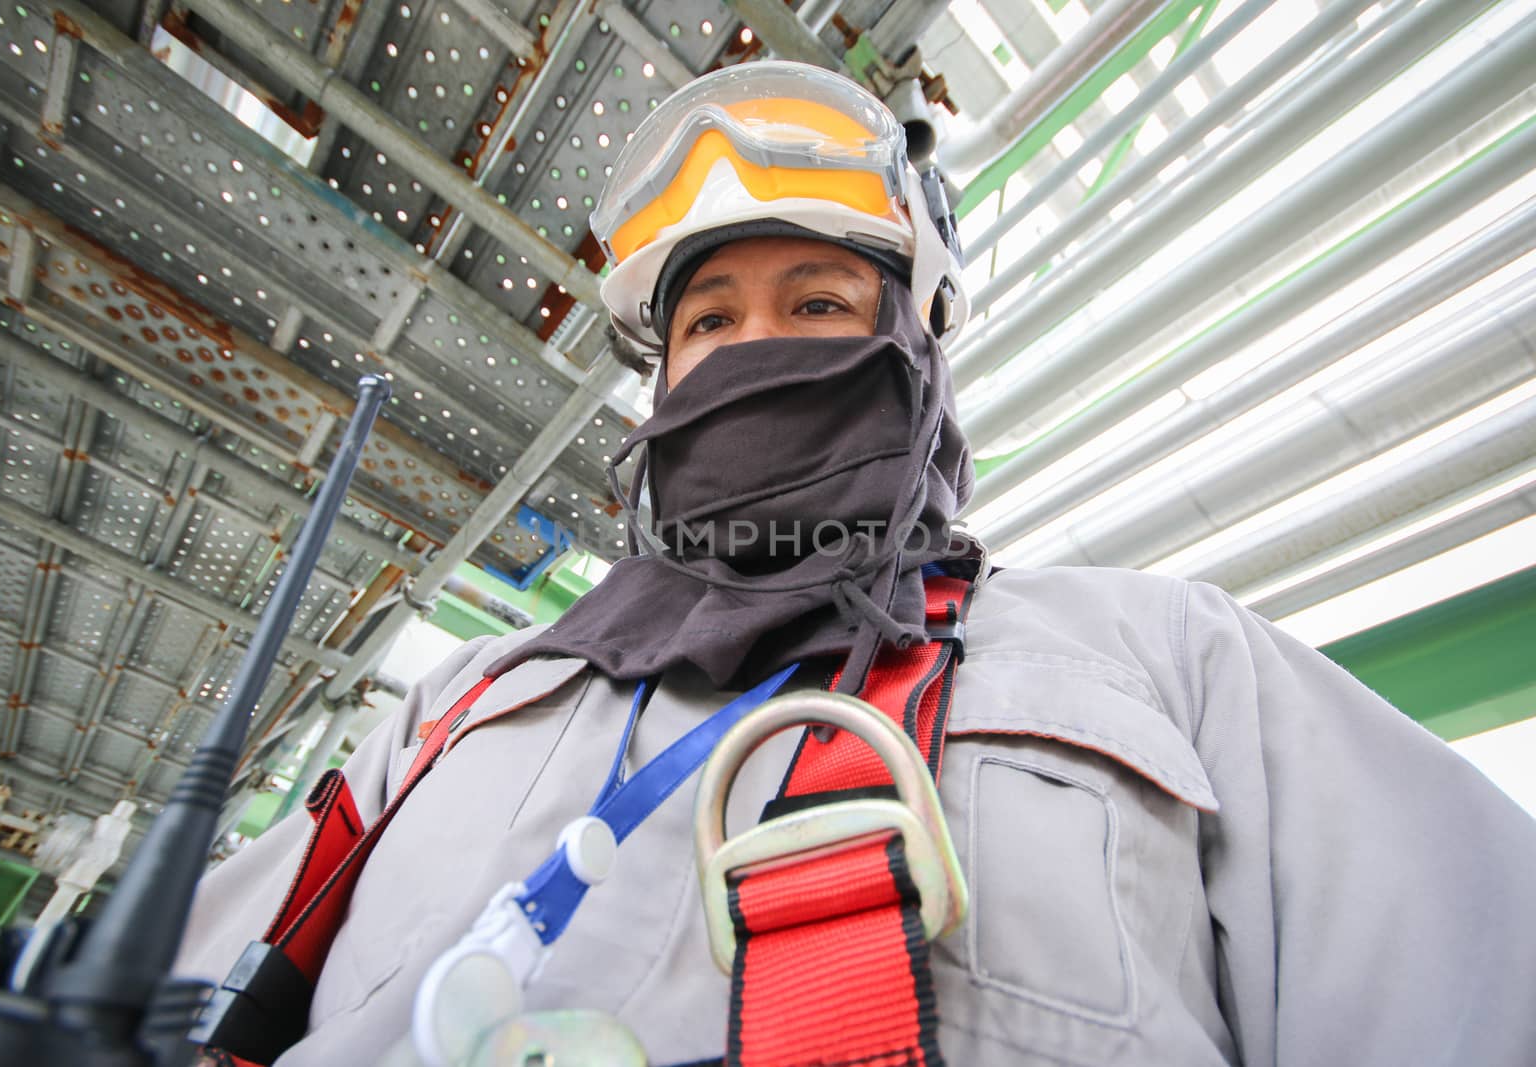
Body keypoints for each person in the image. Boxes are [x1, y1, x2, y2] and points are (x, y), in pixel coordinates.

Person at [174, 61, 1536, 1066]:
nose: (758, 351)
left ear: (919, 353)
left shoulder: (1167, 663)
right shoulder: (445, 713)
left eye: (819, 304)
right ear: (659, 388)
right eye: (712, 321)